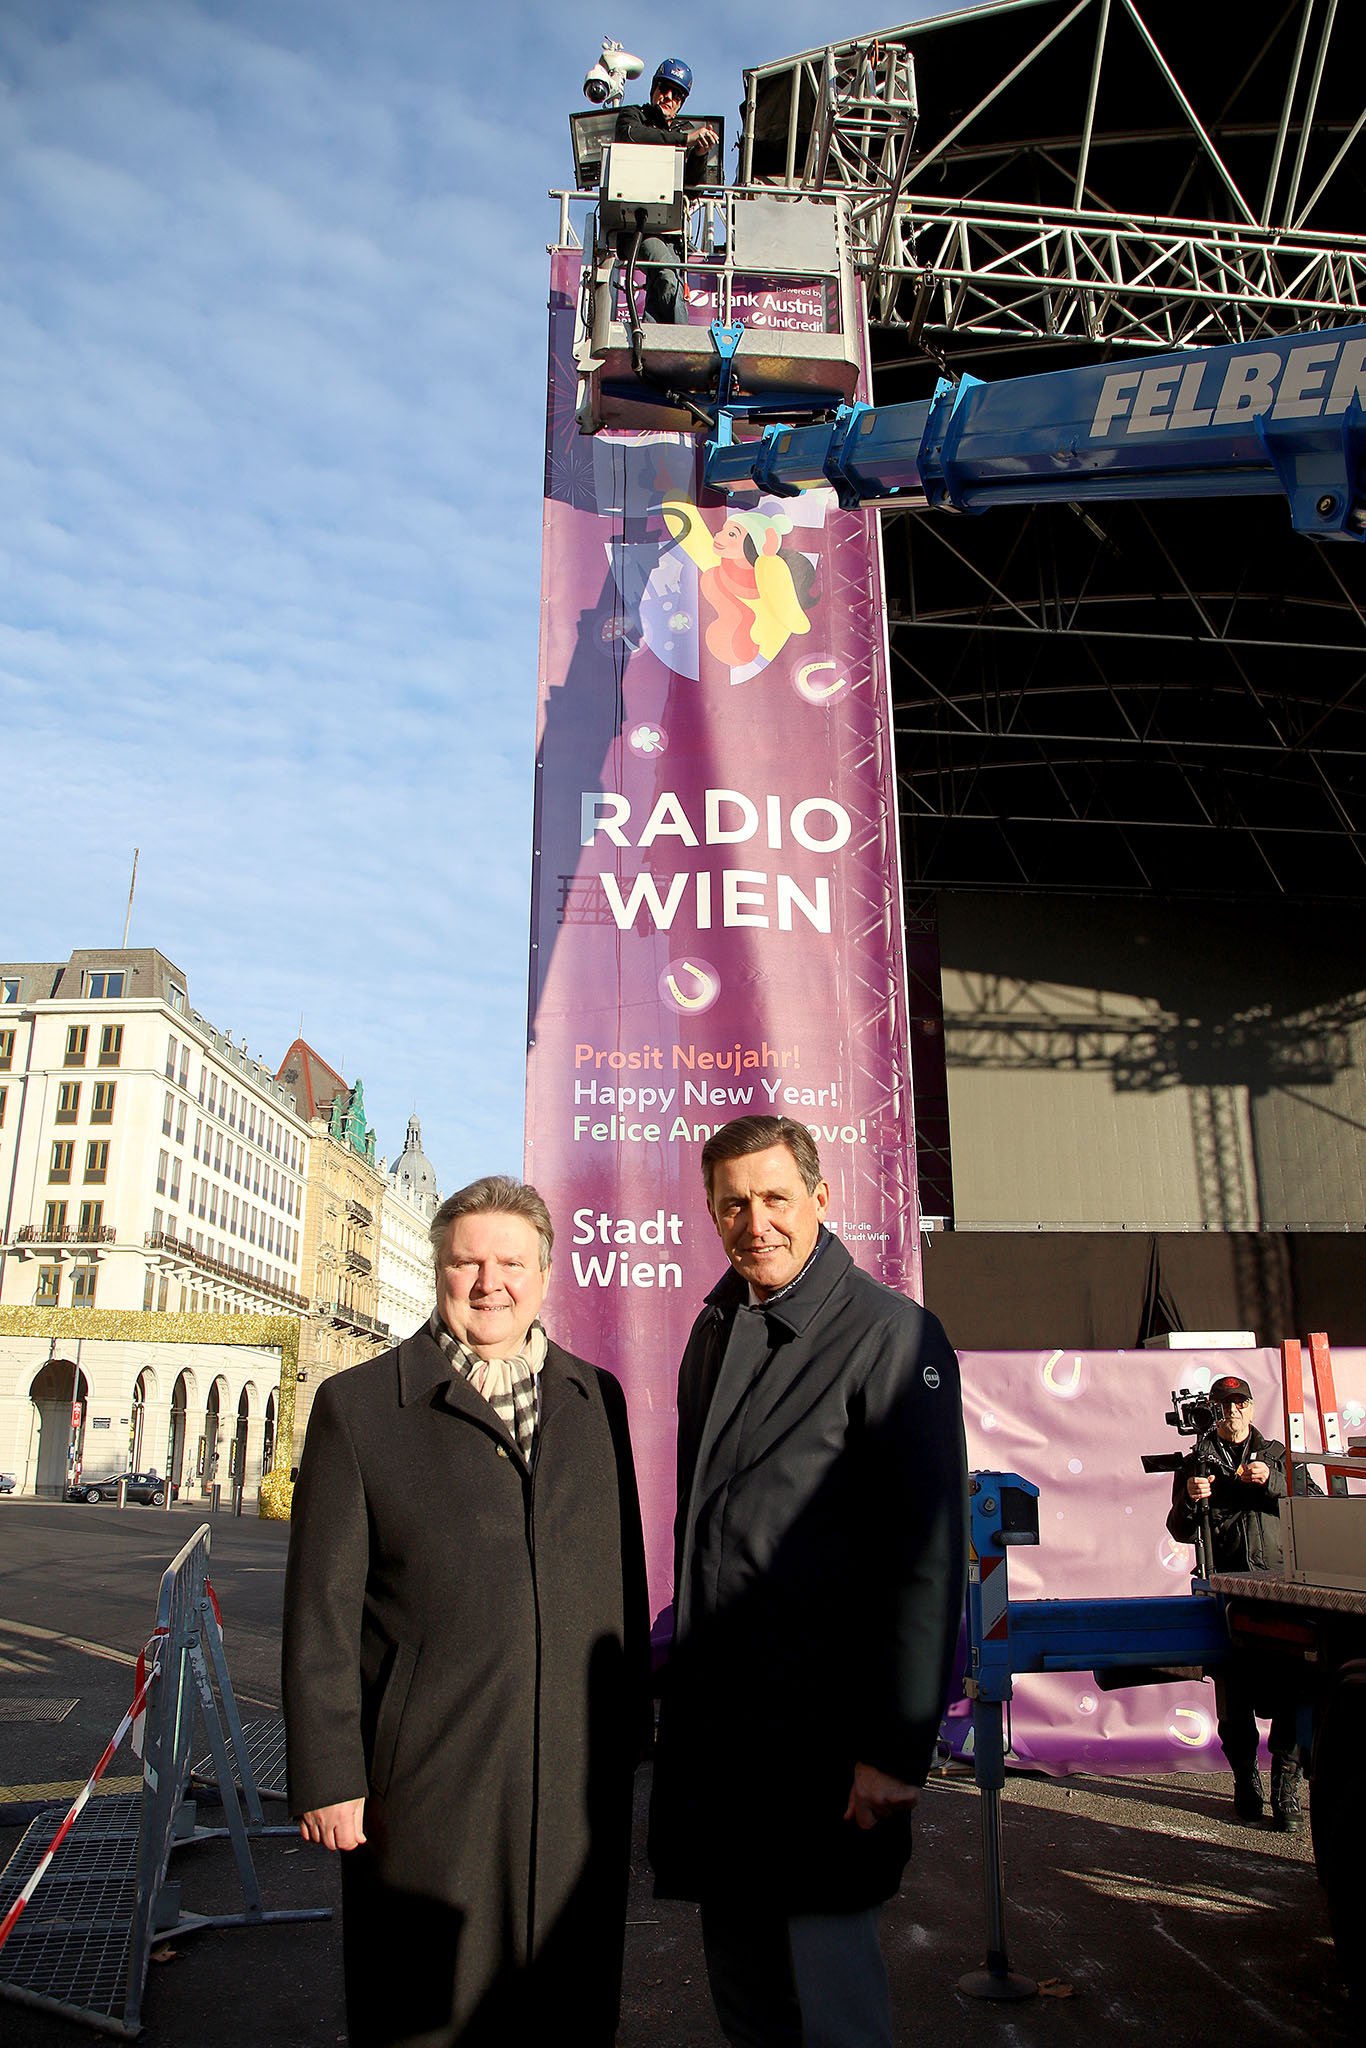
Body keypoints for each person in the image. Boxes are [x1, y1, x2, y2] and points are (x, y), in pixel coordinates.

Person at [282, 1175, 648, 2048]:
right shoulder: (360, 1406)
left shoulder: (598, 1399)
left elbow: (624, 1577)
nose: (491, 1283)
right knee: (424, 2008)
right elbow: (321, 1612)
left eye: (511, 1262)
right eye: (468, 1262)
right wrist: (331, 1773)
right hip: (427, 1780)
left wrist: (629, 1730)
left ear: (546, 1275)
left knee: (567, 2003)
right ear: (440, 1269)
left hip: (570, 1778)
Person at [649, 1115, 968, 2048]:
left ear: (820, 1200)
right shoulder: (716, 1329)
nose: (757, 1222)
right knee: (748, 2005)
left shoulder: (892, 1335)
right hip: (723, 1745)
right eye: (734, 1204)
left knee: (833, 2014)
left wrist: (899, 1746)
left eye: (776, 1198)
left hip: (826, 1757)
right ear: (712, 1214)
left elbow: (928, 1554)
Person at [1166, 1373, 1302, 1830]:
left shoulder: (1276, 1455)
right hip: (1227, 1592)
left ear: (1251, 1407)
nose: (1232, 1413)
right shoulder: (1198, 1461)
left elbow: (1309, 1505)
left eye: (1239, 1404)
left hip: (1280, 1590)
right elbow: (1179, 1529)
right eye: (1224, 1406)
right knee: (1234, 1696)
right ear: (1215, 1412)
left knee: (1292, 1690)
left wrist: (1273, 1481)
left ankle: (1287, 1789)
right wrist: (1189, 1498)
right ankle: (1246, 1780)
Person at [613, 57, 718, 324]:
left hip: (670, 233)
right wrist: (685, 140)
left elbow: (693, 189)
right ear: (653, 88)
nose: (668, 97)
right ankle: (682, 344)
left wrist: (699, 154)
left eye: (677, 94)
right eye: (664, 88)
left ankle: (649, 345)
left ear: (682, 102)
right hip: (635, 225)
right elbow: (630, 135)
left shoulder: (684, 130)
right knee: (666, 273)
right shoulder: (633, 116)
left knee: (665, 281)